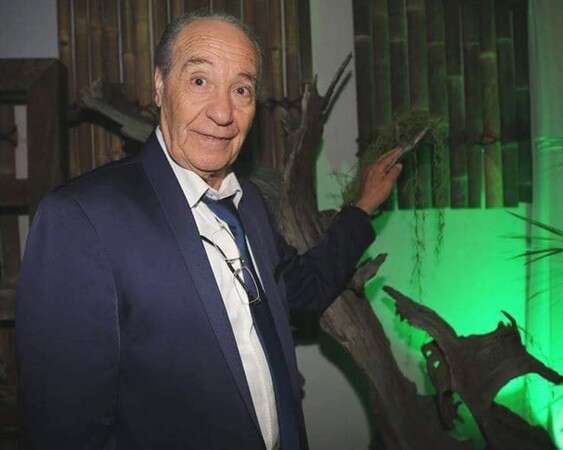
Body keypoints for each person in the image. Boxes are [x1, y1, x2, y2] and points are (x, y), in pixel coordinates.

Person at [16, 11, 402, 450]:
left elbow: (301, 289)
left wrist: (362, 209)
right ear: (160, 86)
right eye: (199, 81)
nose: (222, 112)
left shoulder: (248, 204)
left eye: (241, 90)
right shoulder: (82, 219)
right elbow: (63, 427)